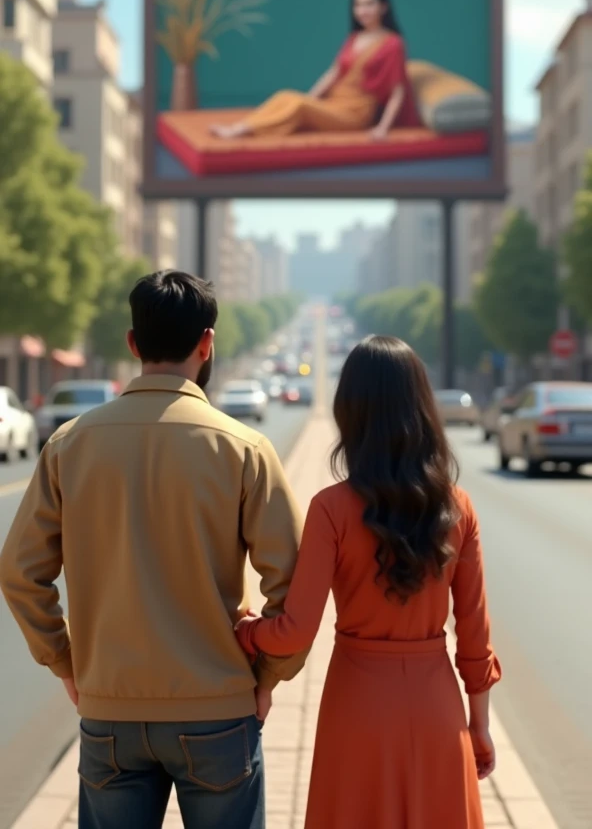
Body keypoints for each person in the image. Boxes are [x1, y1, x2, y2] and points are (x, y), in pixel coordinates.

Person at [0, 271, 306, 829]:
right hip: (218, 710)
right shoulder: (243, 448)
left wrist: (66, 662)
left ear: (133, 343)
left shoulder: (68, 444)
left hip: (109, 710)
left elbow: (21, 574)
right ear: (207, 343)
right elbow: (295, 583)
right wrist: (268, 673)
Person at [236, 335, 501, 829]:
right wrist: (479, 724)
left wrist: (247, 631)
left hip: (355, 705)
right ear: (422, 408)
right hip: (436, 707)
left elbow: (294, 631)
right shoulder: (458, 508)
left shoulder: (330, 509)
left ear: (349, 412)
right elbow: (475, 638)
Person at [210, 0, 421, 140]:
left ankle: (242, 131)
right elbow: (333, 73)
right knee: (287, 95)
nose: (362, 11)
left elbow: (397, 90)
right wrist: (310, 99)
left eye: (369, 4)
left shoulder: (393, 43)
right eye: (357, 5)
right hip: (334, 103)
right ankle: (241, 125)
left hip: (355, 113)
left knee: (299, 105)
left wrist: (382, 129)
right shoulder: (354, 38)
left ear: (383, 7)